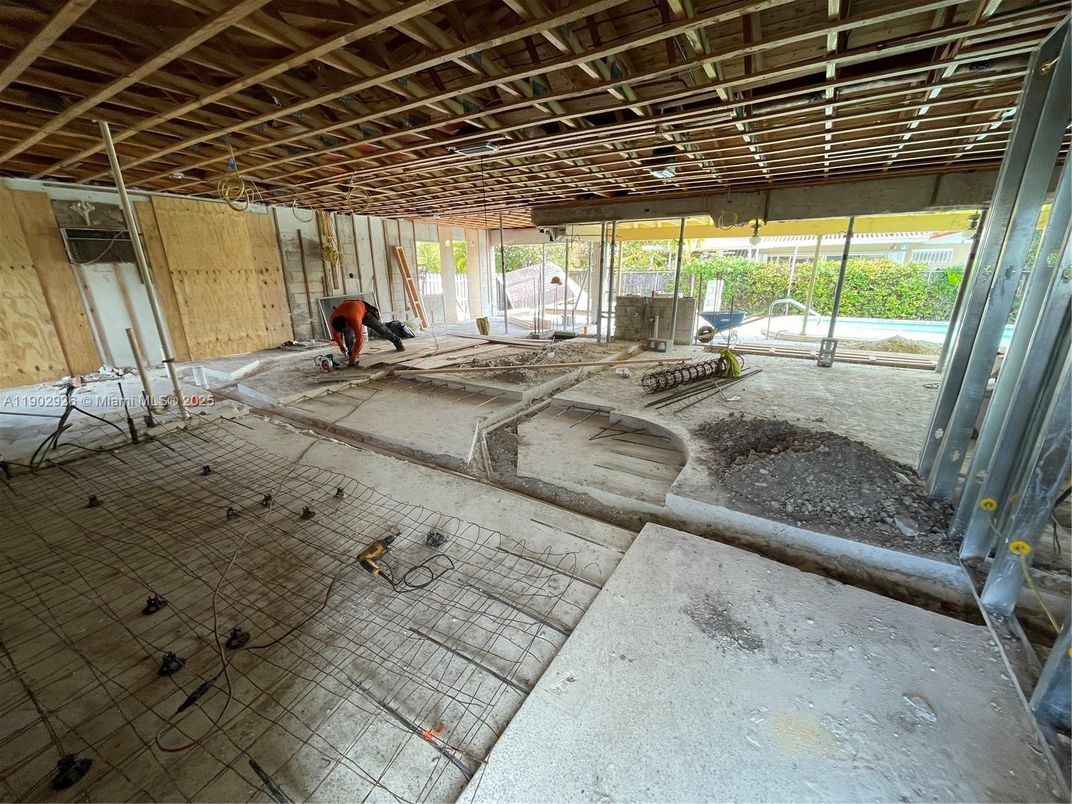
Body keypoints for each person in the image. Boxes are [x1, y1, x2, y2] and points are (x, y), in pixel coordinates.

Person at [329, 299, 404, 367]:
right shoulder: (333, 319)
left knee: (380, 329)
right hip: (350, 310)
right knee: (348, 336)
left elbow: (360, 339)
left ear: (346, 323)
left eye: (346, 327)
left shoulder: (354, 318)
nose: (347, 329)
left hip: (364, 312)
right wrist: (341, 346)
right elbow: (336, 333)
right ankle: (351, 353)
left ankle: (397, 341)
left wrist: (353, 357)